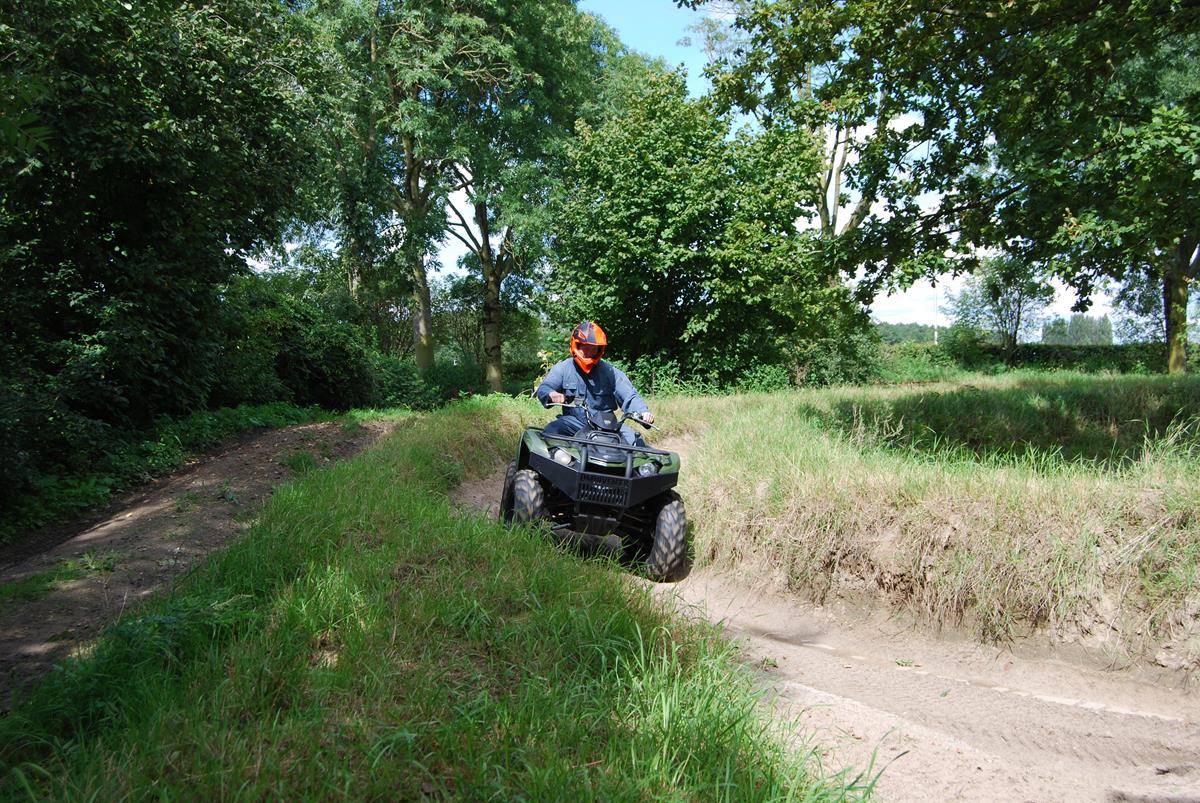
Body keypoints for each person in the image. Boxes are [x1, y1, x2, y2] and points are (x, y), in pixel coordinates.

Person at [535, 321, 654, 446]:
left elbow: (630, 395)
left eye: (592, 348)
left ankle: (632, 466)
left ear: (599, 349)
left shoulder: (610, 372)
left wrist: (642, 412)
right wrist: (551, 394)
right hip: (574, 422)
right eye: (583, 346)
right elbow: (544, 388)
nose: (587, 351)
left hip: (607, 425)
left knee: (636, 442)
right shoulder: (563, 368)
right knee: (551, 432)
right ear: (575, 345)